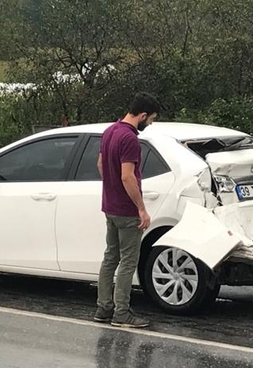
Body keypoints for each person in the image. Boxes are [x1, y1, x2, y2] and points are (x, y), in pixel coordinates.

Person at [93, 92, 161, 329]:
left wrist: (111, 187)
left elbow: (100, 164)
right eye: (150, 119)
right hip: (126, 211)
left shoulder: (110, 131)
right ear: (142, 115)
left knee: (110, 257)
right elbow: (127, 176)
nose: (149, 123)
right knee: (128, 261)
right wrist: (141, 208)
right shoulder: (130, 139)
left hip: (109, 207)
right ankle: (122, 312)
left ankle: (104, 308)